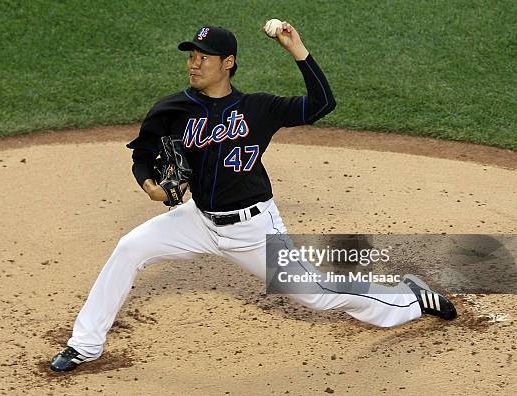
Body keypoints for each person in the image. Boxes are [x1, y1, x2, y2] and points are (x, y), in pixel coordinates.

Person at [49, 22, 457, 372]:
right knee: (128, 248)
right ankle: (85, 344)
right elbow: (142, 155)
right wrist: (149, 185)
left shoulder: (258, 108)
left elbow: (322, 104)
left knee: (315, 296)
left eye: (204, 57)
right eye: (191, 55)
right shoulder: (173, 107)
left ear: (227, 63)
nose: (194, 63)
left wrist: (298, 51)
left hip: (253, 227)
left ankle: (408, 297)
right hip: (197, 220)